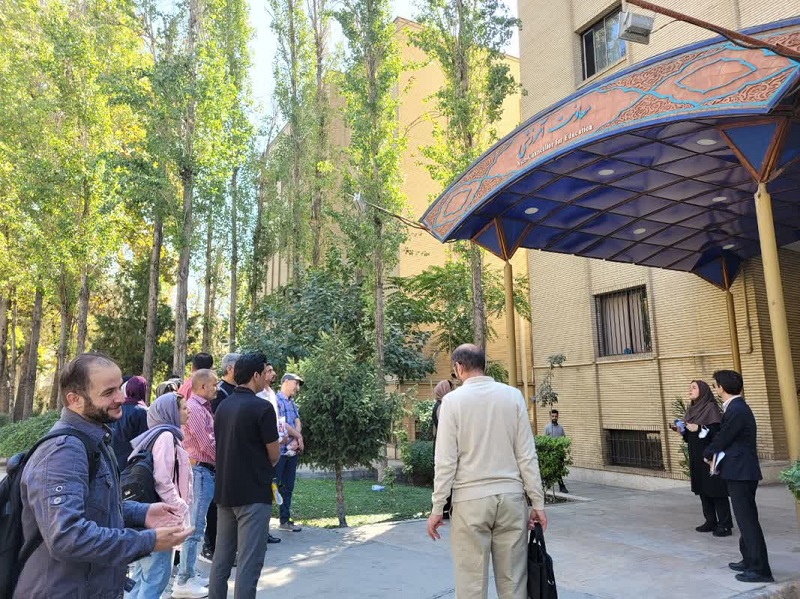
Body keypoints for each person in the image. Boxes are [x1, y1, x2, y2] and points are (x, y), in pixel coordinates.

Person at [14, 353, 192, 599]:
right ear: (75, 399)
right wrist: (146, 541)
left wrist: (142, 512)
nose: (120, 398)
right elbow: (67, 536)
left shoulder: (95, 439)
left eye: (119, 388)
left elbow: (93, 506)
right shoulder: (65, 451)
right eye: (108, 392)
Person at [427, 344, 547, 599]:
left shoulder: (452, 402)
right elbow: (527, 455)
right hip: (511, 499)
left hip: (470, 502)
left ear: (459, 367)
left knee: (471, 585)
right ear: (484, 365)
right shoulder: (513, 396)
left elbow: (445, 462)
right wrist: (537, 502)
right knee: (514, 584)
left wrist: (438, 508)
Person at [209, 352, 280, 599]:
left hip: (225, 491)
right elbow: (274, 454)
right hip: (253, 493)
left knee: (221, 558)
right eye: (265, 372)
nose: (268, 378)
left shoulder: (223, 405)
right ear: (256, 375)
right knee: (249, 562)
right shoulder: (262, 408)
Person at [703, 370, 773, 583]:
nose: (716, 389)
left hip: (742, 472)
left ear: (721, 388)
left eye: (716, 385)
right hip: (739, 471)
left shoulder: (736, 409)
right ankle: (749, 560)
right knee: (745, 520)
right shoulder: (736, 407)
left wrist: (708, 452)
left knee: (747, 520)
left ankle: (760, 569)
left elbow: (725, 436)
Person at [127, 392, 197, 599]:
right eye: (183, 408)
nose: (188, 411)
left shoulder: (157, 435)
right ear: (170, 413)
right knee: (155, 579)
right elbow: (163, 479)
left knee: (141, 579)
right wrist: (180, 506)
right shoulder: (166, 437)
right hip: (162, 516)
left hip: (150, 514)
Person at [174, 368, 219, 598]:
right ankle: (184, 580)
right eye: (214, 384)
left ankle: (189, 572)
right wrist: (225, 459)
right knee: (195, 527)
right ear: (202, 386)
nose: (217, 388)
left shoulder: (202, 408)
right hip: (200, 470)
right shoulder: (195, 408)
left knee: (197, 524)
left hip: (203, 470)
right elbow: (207, 444)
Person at [670, 380, 732, 537]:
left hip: (710, 456)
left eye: (694, 387)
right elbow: (691, 436)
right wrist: (682, 431)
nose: (690, 390)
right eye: (689, 387)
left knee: (716, 490)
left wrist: (699, 428)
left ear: (703, 391)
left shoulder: (710, 408)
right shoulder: (692, 409)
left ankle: (725, 524)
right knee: (703, 489)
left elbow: (717, 433)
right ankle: (710, 521)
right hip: (696, 454)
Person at [203, 352, 240, 564]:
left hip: (232, 457)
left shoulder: (238, 391)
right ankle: (214, 547)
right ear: (230, 369)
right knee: (216, 507)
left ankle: (228, 547)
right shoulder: (221, 394)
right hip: (217, 458)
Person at [275, 373, 305, 532]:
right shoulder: (276, 400)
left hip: (292, 451)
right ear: (286, 382)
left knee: (288, 486)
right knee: (274, 486)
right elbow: (282, 423)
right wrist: (298, 437)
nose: (297, 388)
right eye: (296, 383)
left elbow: (297, 421)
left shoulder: (292, 402)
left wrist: (296, 439)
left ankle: (285, 520)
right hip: (280, 452)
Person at [110, 375, 150, 471]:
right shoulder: (142, 411)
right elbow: (144, 442)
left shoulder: (117, 407)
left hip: (115, 460)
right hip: (132, 463)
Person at [431, 379, 454, 518]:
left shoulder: (440, 404)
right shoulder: (442, 406)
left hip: (440, 442)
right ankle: (443, 509)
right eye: (450, 388)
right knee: (445, 475)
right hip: (444, 443)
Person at [544, 409, 569, 493]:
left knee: (559, 470)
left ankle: (559, 485)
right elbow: (545, 440)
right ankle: (561, 486)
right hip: (551, 453)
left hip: (559, 453)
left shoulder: (560, 428)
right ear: (550, 416)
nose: (554, 418)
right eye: (553, 416)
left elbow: (564, 439)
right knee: (554, 470)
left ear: (558, 416)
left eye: (556, 416)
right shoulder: (547, 427)